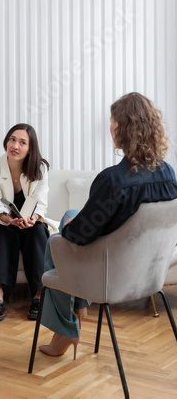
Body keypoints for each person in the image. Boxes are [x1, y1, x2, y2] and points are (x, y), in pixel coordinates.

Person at [39, 92, 177, 359]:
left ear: (119, 128)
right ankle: (75, 309)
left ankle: (67, 327)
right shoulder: (169, 174)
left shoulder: (114, 181)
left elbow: (79, 236)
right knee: (71, 212)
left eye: (112, 120)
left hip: (108, 276)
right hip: (148, 274)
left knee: (54, 240)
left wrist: (66, 227)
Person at [0, 123, 57, 322]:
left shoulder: (40, 168)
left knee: (37, 231)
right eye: (12, 139)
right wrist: (8, 219)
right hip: (3, 219)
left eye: (22, 142)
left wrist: (32, 219)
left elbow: (41, 204)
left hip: (30, 220)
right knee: (0, 232)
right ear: (6, 141)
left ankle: (38, 295)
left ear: (30, 148)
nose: (15, 146)